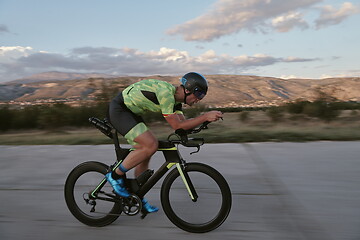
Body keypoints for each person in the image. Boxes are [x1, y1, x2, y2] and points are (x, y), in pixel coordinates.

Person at [106, 72, 223, 213]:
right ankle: (114, 176)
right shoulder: (167, 94)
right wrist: (204, 116)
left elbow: (183, 125)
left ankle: (137, 196)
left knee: (146, 152)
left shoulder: (177, 103)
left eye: (202, 96)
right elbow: (177, 126)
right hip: (120, 110)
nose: (199, 99)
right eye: (199, 94)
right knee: (151, 145)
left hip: (132, 113)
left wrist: (202, 124)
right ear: (187, 90)